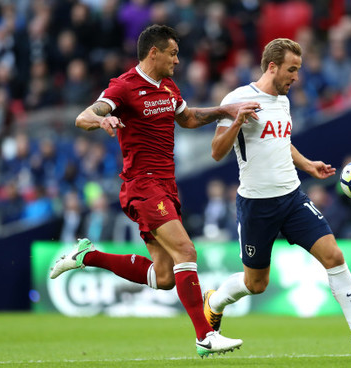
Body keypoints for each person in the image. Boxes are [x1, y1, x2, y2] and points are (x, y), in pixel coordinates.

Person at [49, 25, 260, 357]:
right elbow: (83, 116)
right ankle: (205, 335)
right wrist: (102, 121)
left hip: (166, 186)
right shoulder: (124, 87)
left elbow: (187, 118)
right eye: (173, 53)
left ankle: (86, 256)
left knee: (163, 276)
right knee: (186, 253)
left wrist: (225, 110)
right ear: (154, 52)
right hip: (142, 185)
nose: (178, 60)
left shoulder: (168, 87)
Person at [203, 38, 351, 361]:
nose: (296, 77)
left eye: (298, 70)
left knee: (333, 255)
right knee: (256, 283)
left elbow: (281, 141)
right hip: (256, 206)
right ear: (272, 66)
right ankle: (214, 302)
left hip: (292, 198)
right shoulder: (237, 99)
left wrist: (307, 164)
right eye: (292, 70)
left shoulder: (282, 101)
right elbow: (216, 151)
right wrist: (237, 120)